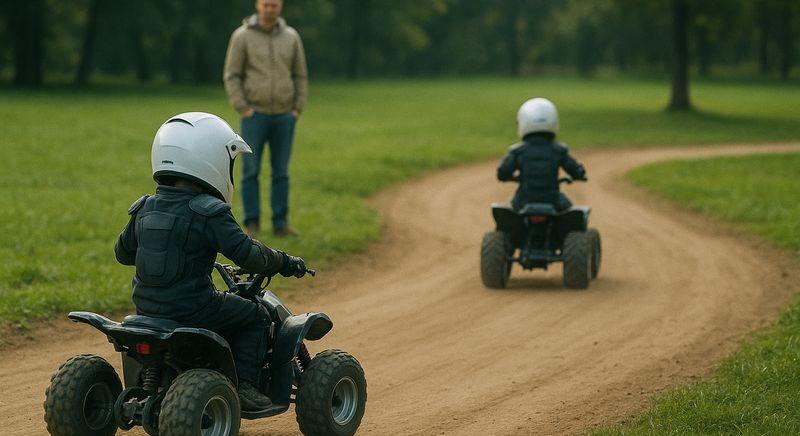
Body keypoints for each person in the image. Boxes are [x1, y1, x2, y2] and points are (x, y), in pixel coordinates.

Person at [114, 112, 308, 411]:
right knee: (255, 316)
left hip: (146, 309)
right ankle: (245, 386)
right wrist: (284, 261)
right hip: (192, 309)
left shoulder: (145, 206)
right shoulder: (209, 211)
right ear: (209, 159)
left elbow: (123, 254)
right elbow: (249, 255)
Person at [224, 0, 308, 238]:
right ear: (258, 6)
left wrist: (296, 109)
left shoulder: (291, 37)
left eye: (275, 5)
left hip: (285, 116)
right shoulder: (242, 36)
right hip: (254, 116)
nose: (270, 9)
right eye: (266, 4)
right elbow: (232, 75)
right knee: (250, 171)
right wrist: (243, 108)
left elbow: (300, 75)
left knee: (281, 172)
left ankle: (281, 223)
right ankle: (252, 224)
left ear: (280, 6)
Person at [497, 98, 587, 211]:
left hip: (524, 200)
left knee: (509, 215)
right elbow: (574, 169)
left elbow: (502, 173)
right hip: (553, 200)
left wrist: (511, 178)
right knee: (573, 216)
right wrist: (579, 174)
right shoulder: (559, 150)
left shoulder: (518, 151)